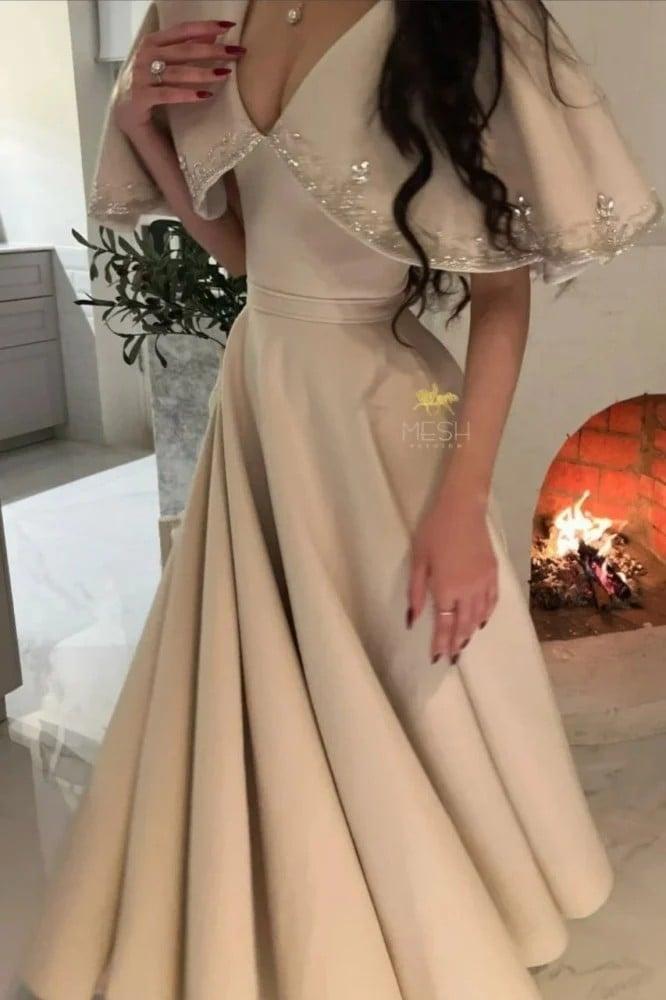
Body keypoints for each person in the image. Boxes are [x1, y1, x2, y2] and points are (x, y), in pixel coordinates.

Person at [17, 2, 663, 998]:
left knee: (401, 673)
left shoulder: (463, 18)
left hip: (387, 409)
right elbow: (248, 258)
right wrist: (142, 125)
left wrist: (462, 505)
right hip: (264, 384)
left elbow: (503, 299)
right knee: (271, 664)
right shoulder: (221, 8)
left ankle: (441, 901)